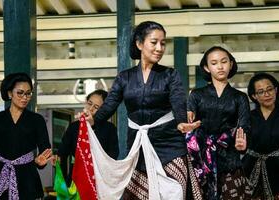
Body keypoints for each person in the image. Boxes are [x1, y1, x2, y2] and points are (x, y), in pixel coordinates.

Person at [93, 21, 202, 199]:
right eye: (154, 42)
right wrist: (92, 120)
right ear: (139, 44)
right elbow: (109, 105)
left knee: (174, 193)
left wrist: (182, 122)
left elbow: (178, 102)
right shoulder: (124, 77)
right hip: (138, 148)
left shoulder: (170, 75)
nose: (159, 48)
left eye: (163, 43)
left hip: (170, 146)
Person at [186, 46, 251, 200]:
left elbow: (244, 126)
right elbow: (189, 126)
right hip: (201, 160)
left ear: (231, 64)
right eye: (214, 63)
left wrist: (243, 146)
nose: (220, 67)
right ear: (206, 67)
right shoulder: (196, 95)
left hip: (230, 157)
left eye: (224, 62)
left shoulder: (240, 97)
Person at [0, 72, 52, 200]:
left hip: (27, 178)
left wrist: (40, 162)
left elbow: (45, 149)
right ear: (10, 93)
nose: (24, 97)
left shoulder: (37, 120)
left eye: (28, 93)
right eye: (20, 93)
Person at [243, 73, 279, 199]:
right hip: (250, 168)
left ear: (276, 90)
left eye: (269, 89)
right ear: (254, 96)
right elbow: (241, 147)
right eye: (261, 92)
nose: (267, 94)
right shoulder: (247, 117)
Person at [57, 89, 119, 186]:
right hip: (76, 179)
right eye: (89, 103)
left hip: (100, 181)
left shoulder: (109, 129)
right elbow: (62, 154)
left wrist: (92, 125)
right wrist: (63, 182)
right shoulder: (74, 127)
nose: (90, 109)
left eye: (96, 107)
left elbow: (113, 156)